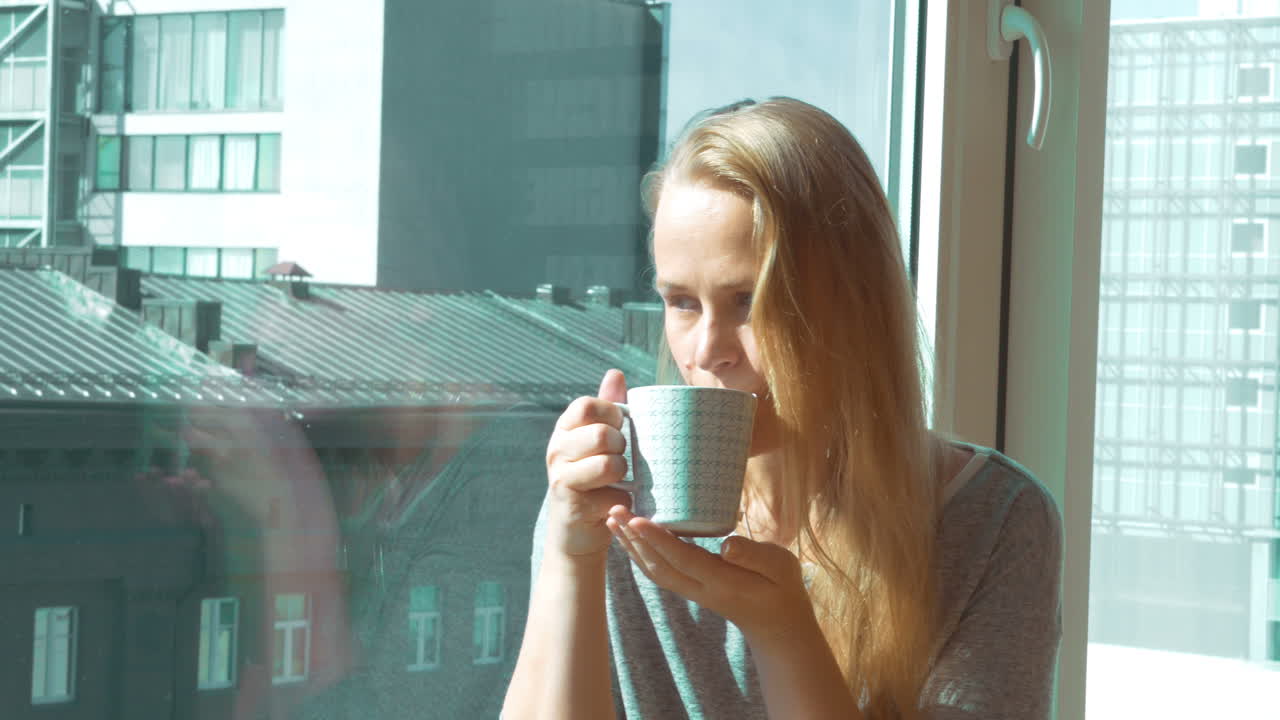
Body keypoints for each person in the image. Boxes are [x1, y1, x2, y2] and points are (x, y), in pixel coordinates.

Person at [502, 97, 1062, 720]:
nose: (708, 352)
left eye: (748, 302)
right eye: (682, 303)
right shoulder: (615, 505)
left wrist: (784, 635)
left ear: (853, 307)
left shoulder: (991, 522)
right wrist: (568, 557)